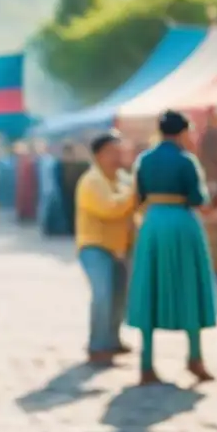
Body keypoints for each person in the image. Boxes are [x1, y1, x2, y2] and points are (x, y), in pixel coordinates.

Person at [127, 110, 217, 386]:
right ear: (182, 132)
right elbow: (198, 199)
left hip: (153, 224)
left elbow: (137, 196)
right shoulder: (186, 161)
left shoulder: (144, 159)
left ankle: (146, 363)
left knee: (150, 287)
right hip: (182, 223)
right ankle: (195, 357)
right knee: (188, 286)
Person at [75, 132, 137, 365]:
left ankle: (112, 339)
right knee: (103, 294)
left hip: (120, 247)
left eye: (120, 151)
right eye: (112, 151)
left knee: (118, 297)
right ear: (99, 155)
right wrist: (133, 193)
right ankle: (97, 345)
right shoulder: (92, 181)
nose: (117, 156)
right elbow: (111, 208)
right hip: (95, 247)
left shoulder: (122, 179)